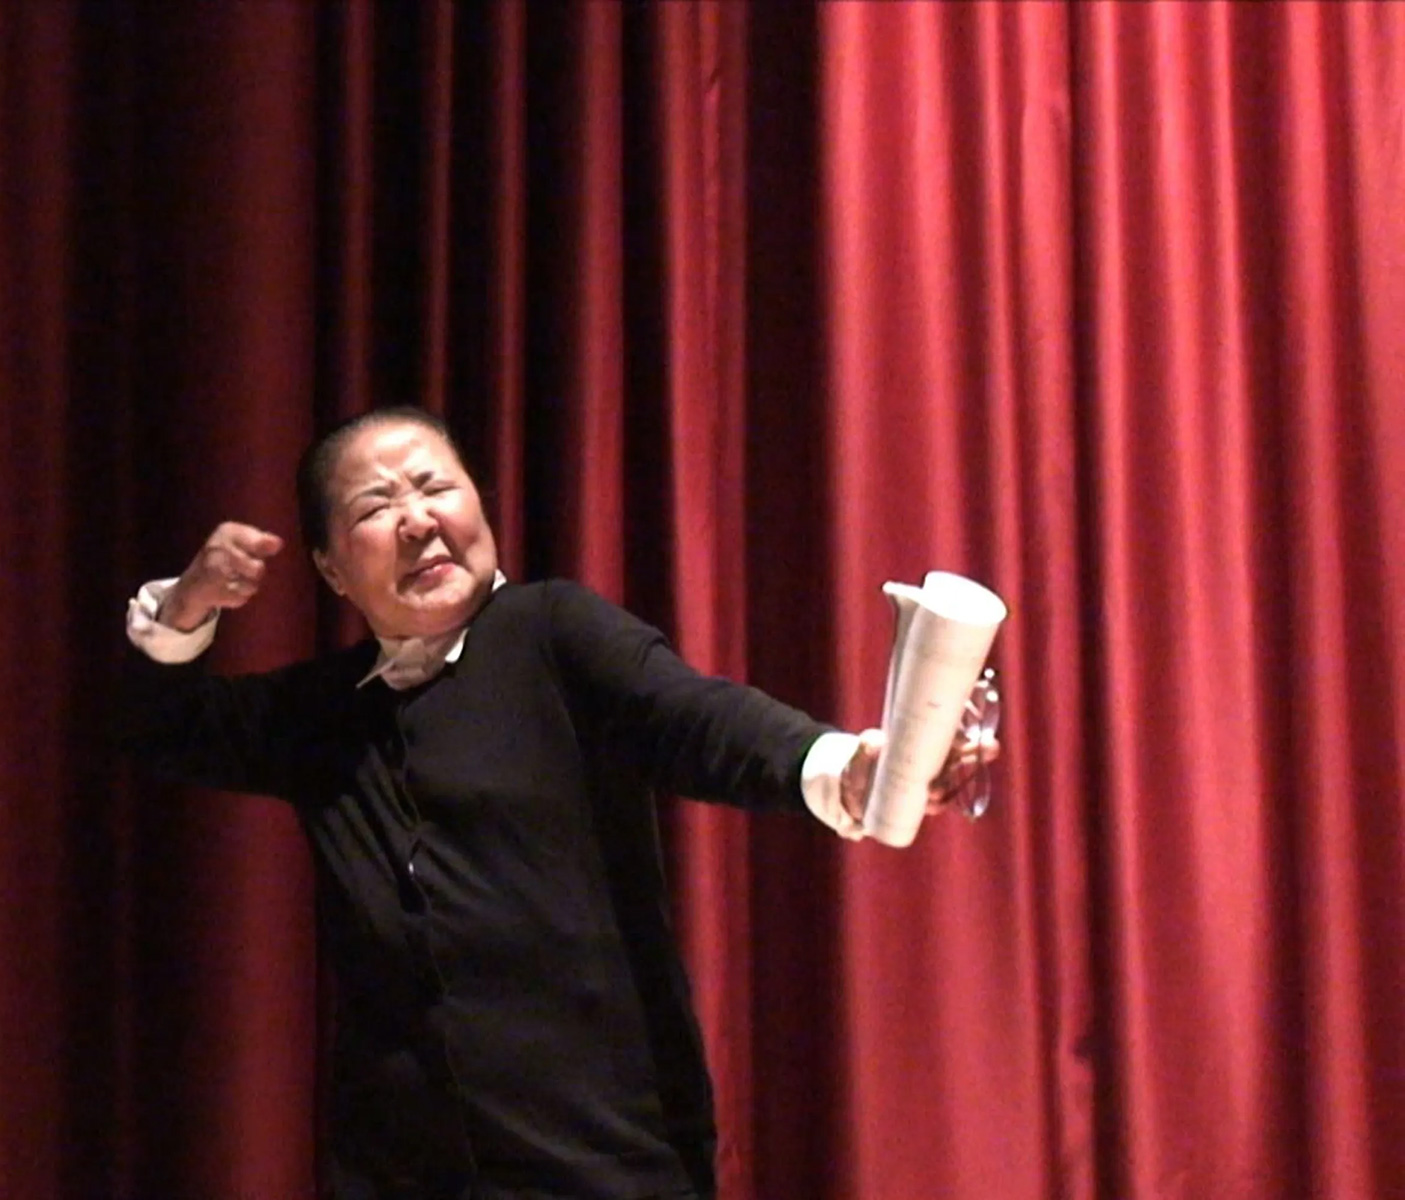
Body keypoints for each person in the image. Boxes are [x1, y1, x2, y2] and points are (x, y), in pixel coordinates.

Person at [118, 406, 994, 1200]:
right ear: (331, 569)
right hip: (396, 1175)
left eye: (434, 486)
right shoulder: (325, 715)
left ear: (479, 505)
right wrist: (187, 604)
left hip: (605, 1163)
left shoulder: (551, 632)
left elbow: (694, 718)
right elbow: (162, 726)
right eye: (373, 508)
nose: (416, 519)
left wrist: (838, 766)